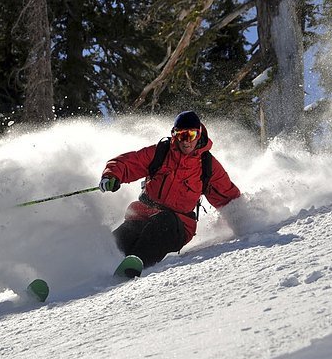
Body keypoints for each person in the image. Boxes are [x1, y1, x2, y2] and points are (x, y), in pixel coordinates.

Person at [99, 111, 240, 267]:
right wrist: (112, 176)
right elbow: (129, 162)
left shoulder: (207, 165)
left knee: (163, 221)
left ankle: (136, 263)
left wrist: (245, 221)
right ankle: (94, 269)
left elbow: (227, 196)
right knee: (116, 242)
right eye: (181, 135)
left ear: (199, 134)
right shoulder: (162, 152)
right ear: (174, 134)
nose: (186, 141)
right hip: (144, 215)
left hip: (178, 224)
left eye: (191, 135)